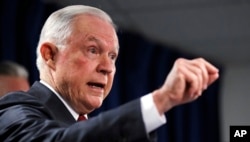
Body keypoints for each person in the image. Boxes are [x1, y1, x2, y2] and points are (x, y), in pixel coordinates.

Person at [0, 5, 219, 142]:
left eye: (113, 56)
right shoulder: (14, 109)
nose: (108, 67)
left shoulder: (89, 126)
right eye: (93, 50)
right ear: (50, 55)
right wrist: (161, 100)